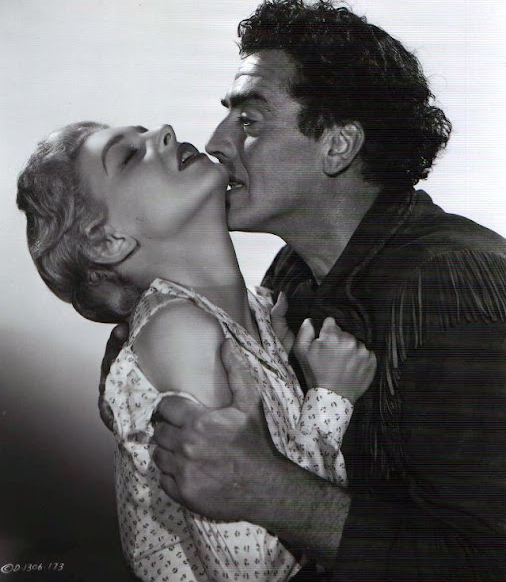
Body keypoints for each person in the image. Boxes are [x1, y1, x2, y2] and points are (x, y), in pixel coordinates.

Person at [100, 0, 506, 580]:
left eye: (249, 120)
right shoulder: (292, 272)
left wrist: (275, 494)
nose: (215, 142)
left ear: (337, 145)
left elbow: (489, 561)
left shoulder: (457, 286)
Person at [17, 121, 376, 582]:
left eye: (146, 133)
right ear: (108, 241)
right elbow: (254, 570)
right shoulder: (179, 332)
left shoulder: (257, 310)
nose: (165, 132)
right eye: (127, 156)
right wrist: (330, 398)